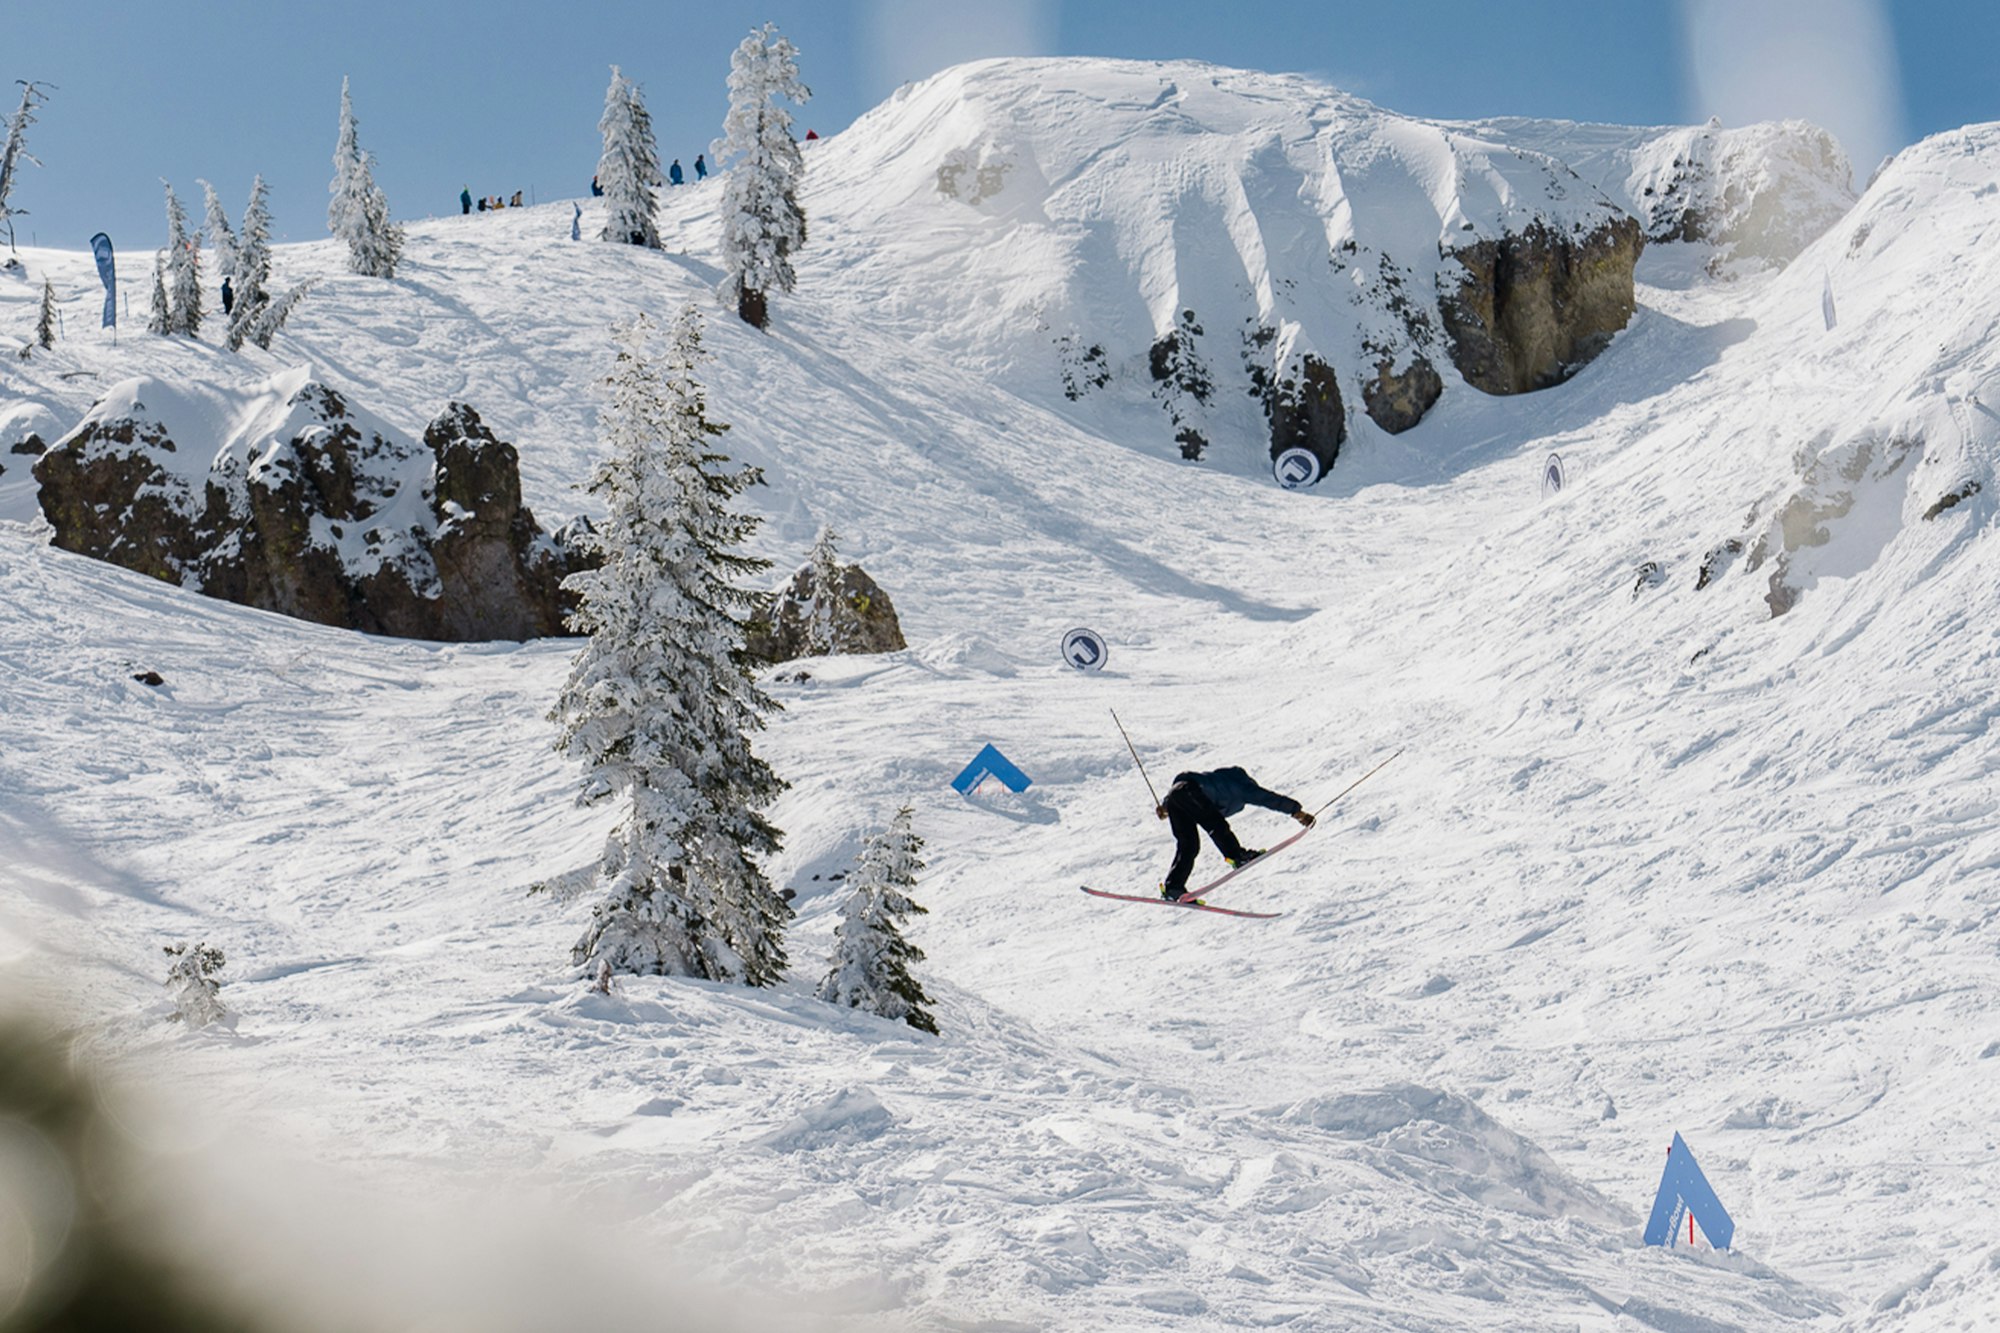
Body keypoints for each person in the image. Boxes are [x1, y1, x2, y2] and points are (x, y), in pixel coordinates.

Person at [1155, 766, 1312, 901]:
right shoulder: (1242, 787)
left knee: (1188, 845)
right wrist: (1296, 811)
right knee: (1216, 824)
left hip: (1177, 796)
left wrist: (1166, 805)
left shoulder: (1217, 780)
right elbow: (1267, 798)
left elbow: (1183, 777)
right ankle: (1237, 856)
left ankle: (1173, 888)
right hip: (1189, 792)